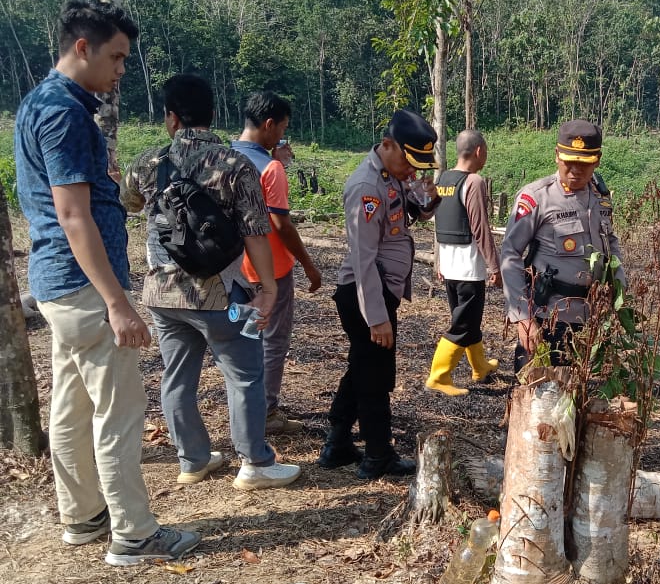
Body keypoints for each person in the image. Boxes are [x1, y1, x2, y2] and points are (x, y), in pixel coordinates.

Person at [14, 0, 199, 566]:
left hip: (57, 284)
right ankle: (135, 535)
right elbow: (74, 216)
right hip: (85, 287)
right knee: (117, 410)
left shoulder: (40, 103)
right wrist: (118, 302)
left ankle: (82, 515)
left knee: (69, 404)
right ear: (81, 48)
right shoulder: (65, 113)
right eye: (116, 57)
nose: (122, 70)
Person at [122, 74, 301, 492]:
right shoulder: (234, 164)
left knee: (177, 376)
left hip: (163, 295)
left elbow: (127, 203)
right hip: (220, 292)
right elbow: (257, 231)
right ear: (213, 114)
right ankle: (255, 462)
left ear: (170, 118)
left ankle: (193, 459)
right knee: (244, 375)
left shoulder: (149, 162)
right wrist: (269, 288)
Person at [317, 109, 441, 478]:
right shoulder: (366, 187)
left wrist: (426, 199)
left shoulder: (391, 175)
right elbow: (363, 258)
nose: (412, 170)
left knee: (363, 367)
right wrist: (378, 317)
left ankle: (337, 442)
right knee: (375, 377)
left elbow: (408, 215)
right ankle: (377, 455)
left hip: (380, 291)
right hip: (365, 295)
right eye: (409, 161)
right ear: (387, 144)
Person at [231, 91, 322, 432]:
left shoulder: (222, 157)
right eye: (282, 129)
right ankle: (266, 413)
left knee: (242, 339)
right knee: (272, 341)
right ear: (269, 125)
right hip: (271, 272)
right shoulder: (270, 168)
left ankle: (242, 409)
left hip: (233, 270)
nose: (282, 137)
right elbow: (281, 225)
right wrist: (309, 265)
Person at [500, 120, 623, 371]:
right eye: (569, 161)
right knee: (538, 399)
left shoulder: (600, 197)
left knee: (576, 399)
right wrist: (523, 317)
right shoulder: (536, 197)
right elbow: (510, 253)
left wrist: (619, 294)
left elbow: (610, 242)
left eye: (584, 162)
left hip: (589, 318)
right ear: (557, 155)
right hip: (546, 317)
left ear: (597, 160)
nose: (575, 170)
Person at [424, 129, 501, 396]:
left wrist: (438, 262)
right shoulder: (474, 182)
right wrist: (494, 266)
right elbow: (480, 229)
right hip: (469, 267)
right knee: (463, 324)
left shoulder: (444, 179)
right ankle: (439, 375)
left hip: (450, 265)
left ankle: (479, 366)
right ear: (479, 151)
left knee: (469, 319)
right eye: (486, 152)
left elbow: (439, 224)